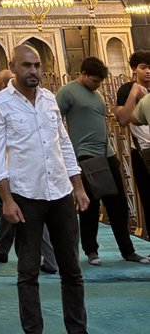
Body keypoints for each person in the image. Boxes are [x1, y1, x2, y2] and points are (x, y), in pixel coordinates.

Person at [0, 44, 90, 334]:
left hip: (59, 193)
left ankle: (77, 329)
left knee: (72, 270)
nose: (33, 71)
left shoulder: (48, 100)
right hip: (25, 196)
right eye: (26, 65)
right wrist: (6, 199)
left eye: (36, 65)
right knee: (28, 272)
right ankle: (34, 331)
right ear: (13, 66)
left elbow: (64, 144)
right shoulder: (0, 103)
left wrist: (77, 186)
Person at [56, 56, 149, 266]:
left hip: (106, 153)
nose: (98, 85)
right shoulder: (67, 92)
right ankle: (91, 251)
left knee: (118, 204)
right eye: (95, 80)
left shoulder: (96, 94)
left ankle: (128, 251)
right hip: (86, 155)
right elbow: (54, 120)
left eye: (100, 82)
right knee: (90, 204)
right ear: (84, 74)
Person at [0, 71, 56, 274]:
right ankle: (2, 249)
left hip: (25, 173)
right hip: (9, 171)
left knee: (31, 218)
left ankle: (50, 260)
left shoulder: (43, 99)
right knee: (7, 209)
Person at [114, 49, 150, 223]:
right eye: (143, 67)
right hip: (142, 151)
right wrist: (134, 93)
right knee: (147, 199)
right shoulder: (126, 90)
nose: (148, 71)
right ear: (135, 69)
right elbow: (122, 119)